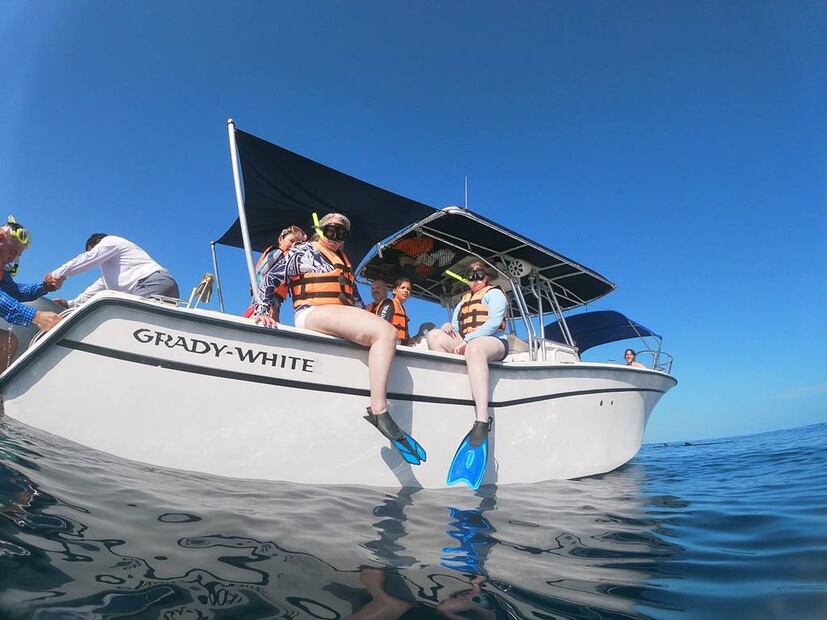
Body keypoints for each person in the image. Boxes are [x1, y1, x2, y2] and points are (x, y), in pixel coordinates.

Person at [253, 213, 425, 465]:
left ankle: (378, 374)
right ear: (319, 230)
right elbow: (269, 278)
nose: (334, 237)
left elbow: (355, 301)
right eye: (330, 230)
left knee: (384, 334)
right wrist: (261, 312)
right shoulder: (302, 252)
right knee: (386, 332)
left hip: (338, 313)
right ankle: (379, 410)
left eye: (341, 233)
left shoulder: (343, 262)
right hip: (312, 312)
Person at [426, 261, 508, 488]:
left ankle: (482, 421)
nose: (474, 278)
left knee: (475, 348)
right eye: (470, 275)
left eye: (479, 274)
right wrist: (447, 329)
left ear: (487, 277)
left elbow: (493, 324)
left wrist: (468, 341)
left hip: (494, 343)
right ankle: (450, 393)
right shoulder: (461, 302)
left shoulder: (494, 295)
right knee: (433, 336)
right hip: (468, 343)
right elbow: (455, 327)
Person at [0, 217, 63, 370]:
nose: (13, 258)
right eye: (13, 252)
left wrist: (44, 287)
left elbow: (15, 291)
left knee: (7, 342)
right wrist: (36, 316)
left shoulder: (2, 271)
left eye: (17, 256)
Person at [51, 233, 179, 308]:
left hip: (150, 283)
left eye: (90, 250)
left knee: (129, 323)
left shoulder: (109, 241)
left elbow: (87, 259)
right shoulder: (113, 272)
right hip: (164, 284)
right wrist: (70, 304)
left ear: (97, 242)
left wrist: (55, 274)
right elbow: (96, 289)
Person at [241, 225, 307, 319]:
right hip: (266, 295)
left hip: (277, 299)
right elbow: (261, 272)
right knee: (268, 317)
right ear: (281, 239)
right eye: (291, 241)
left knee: (274, 317)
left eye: (298, 244)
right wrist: (262, 294)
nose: (293, 246)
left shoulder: (292, 262)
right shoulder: (277, 253)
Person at [375, 277, 411, 345]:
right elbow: (381, 325)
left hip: (400, 346)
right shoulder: (389, 303)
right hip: (388, 343)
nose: (406, 290)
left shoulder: (403, 309)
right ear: (394, 291)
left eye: (408, 289)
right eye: (402, 288)